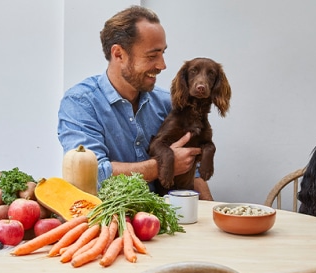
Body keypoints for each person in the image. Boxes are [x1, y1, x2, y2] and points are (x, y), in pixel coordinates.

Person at [57, 5, 213, 201]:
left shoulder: (167, 103)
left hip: (164, 219)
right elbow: (91, 176)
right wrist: (163, 165)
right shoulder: (81, 103)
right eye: (152, 56)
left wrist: (214, 216)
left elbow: (193, 171)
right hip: (108, 222)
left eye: (163, 53)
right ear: (118, 54)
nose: (162, 65)